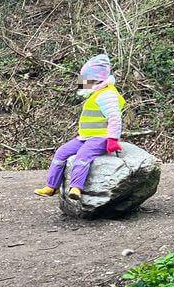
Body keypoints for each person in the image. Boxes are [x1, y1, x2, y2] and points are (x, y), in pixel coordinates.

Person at [36, 54, 126, 201]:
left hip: (101, 137)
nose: (81, 81)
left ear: (95, 78)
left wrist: (112, 139)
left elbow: (115, 118)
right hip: (85, 137)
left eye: (84, 78)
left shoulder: (107, 94)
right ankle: (51, 186)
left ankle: (76, 187)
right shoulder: (95, 93)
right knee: (61, 153)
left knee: (83, 155)